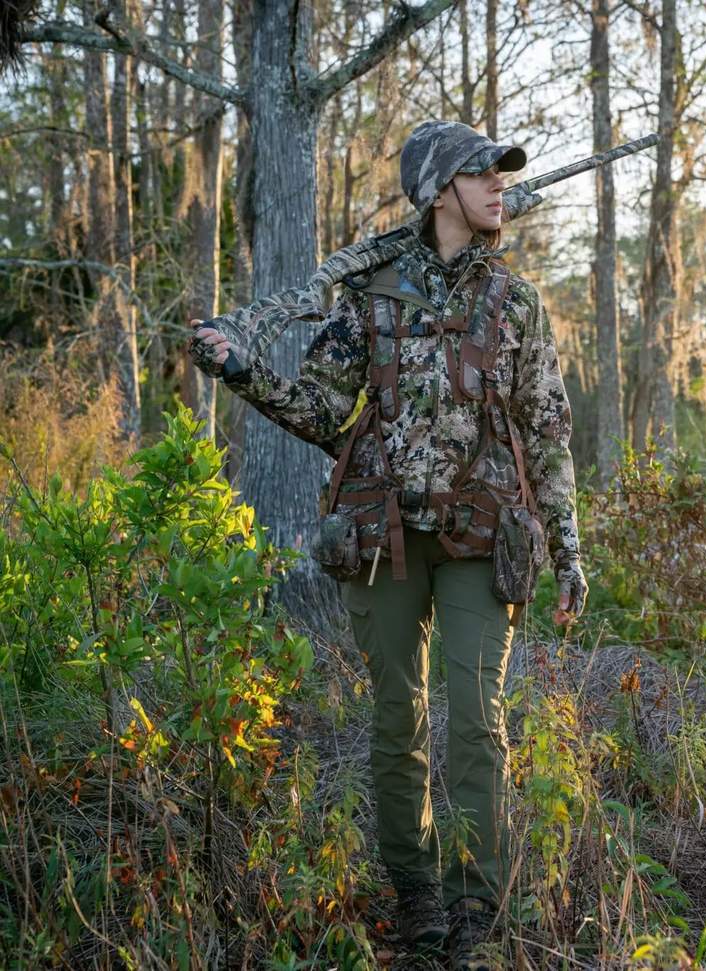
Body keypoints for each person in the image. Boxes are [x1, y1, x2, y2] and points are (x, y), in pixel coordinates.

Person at [190, 120, 588, 968]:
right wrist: (239, 369)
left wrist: (569, 551)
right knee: (395, 718)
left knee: (478, 722)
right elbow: (320, 412)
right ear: (441, 189)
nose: (499, 189)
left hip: (485, 538)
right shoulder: (367, 294)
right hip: (383, 539)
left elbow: (548, 433)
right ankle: (417, 899)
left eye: (502, 177)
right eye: (484, 175)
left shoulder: (515, 302)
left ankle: (476, 906)